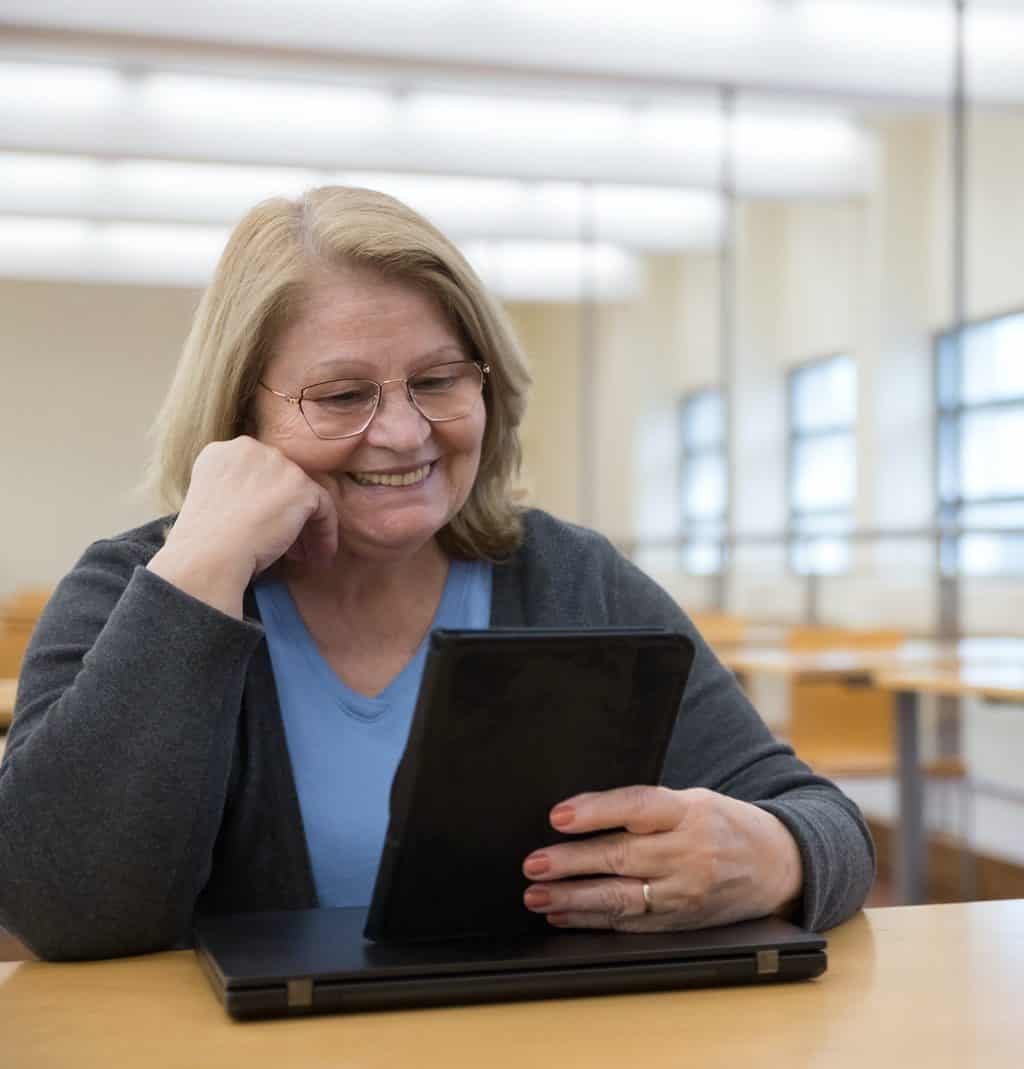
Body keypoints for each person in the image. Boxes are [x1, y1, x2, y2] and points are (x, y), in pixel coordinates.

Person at [0, 187, 874, 961]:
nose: (406, 433)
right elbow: (58, 908)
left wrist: (773, 855)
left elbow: (828, 823)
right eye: (342, 396)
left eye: (438, 379)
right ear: (239, 417)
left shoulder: (569, 578)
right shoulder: (132, 589)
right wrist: (199, 564)